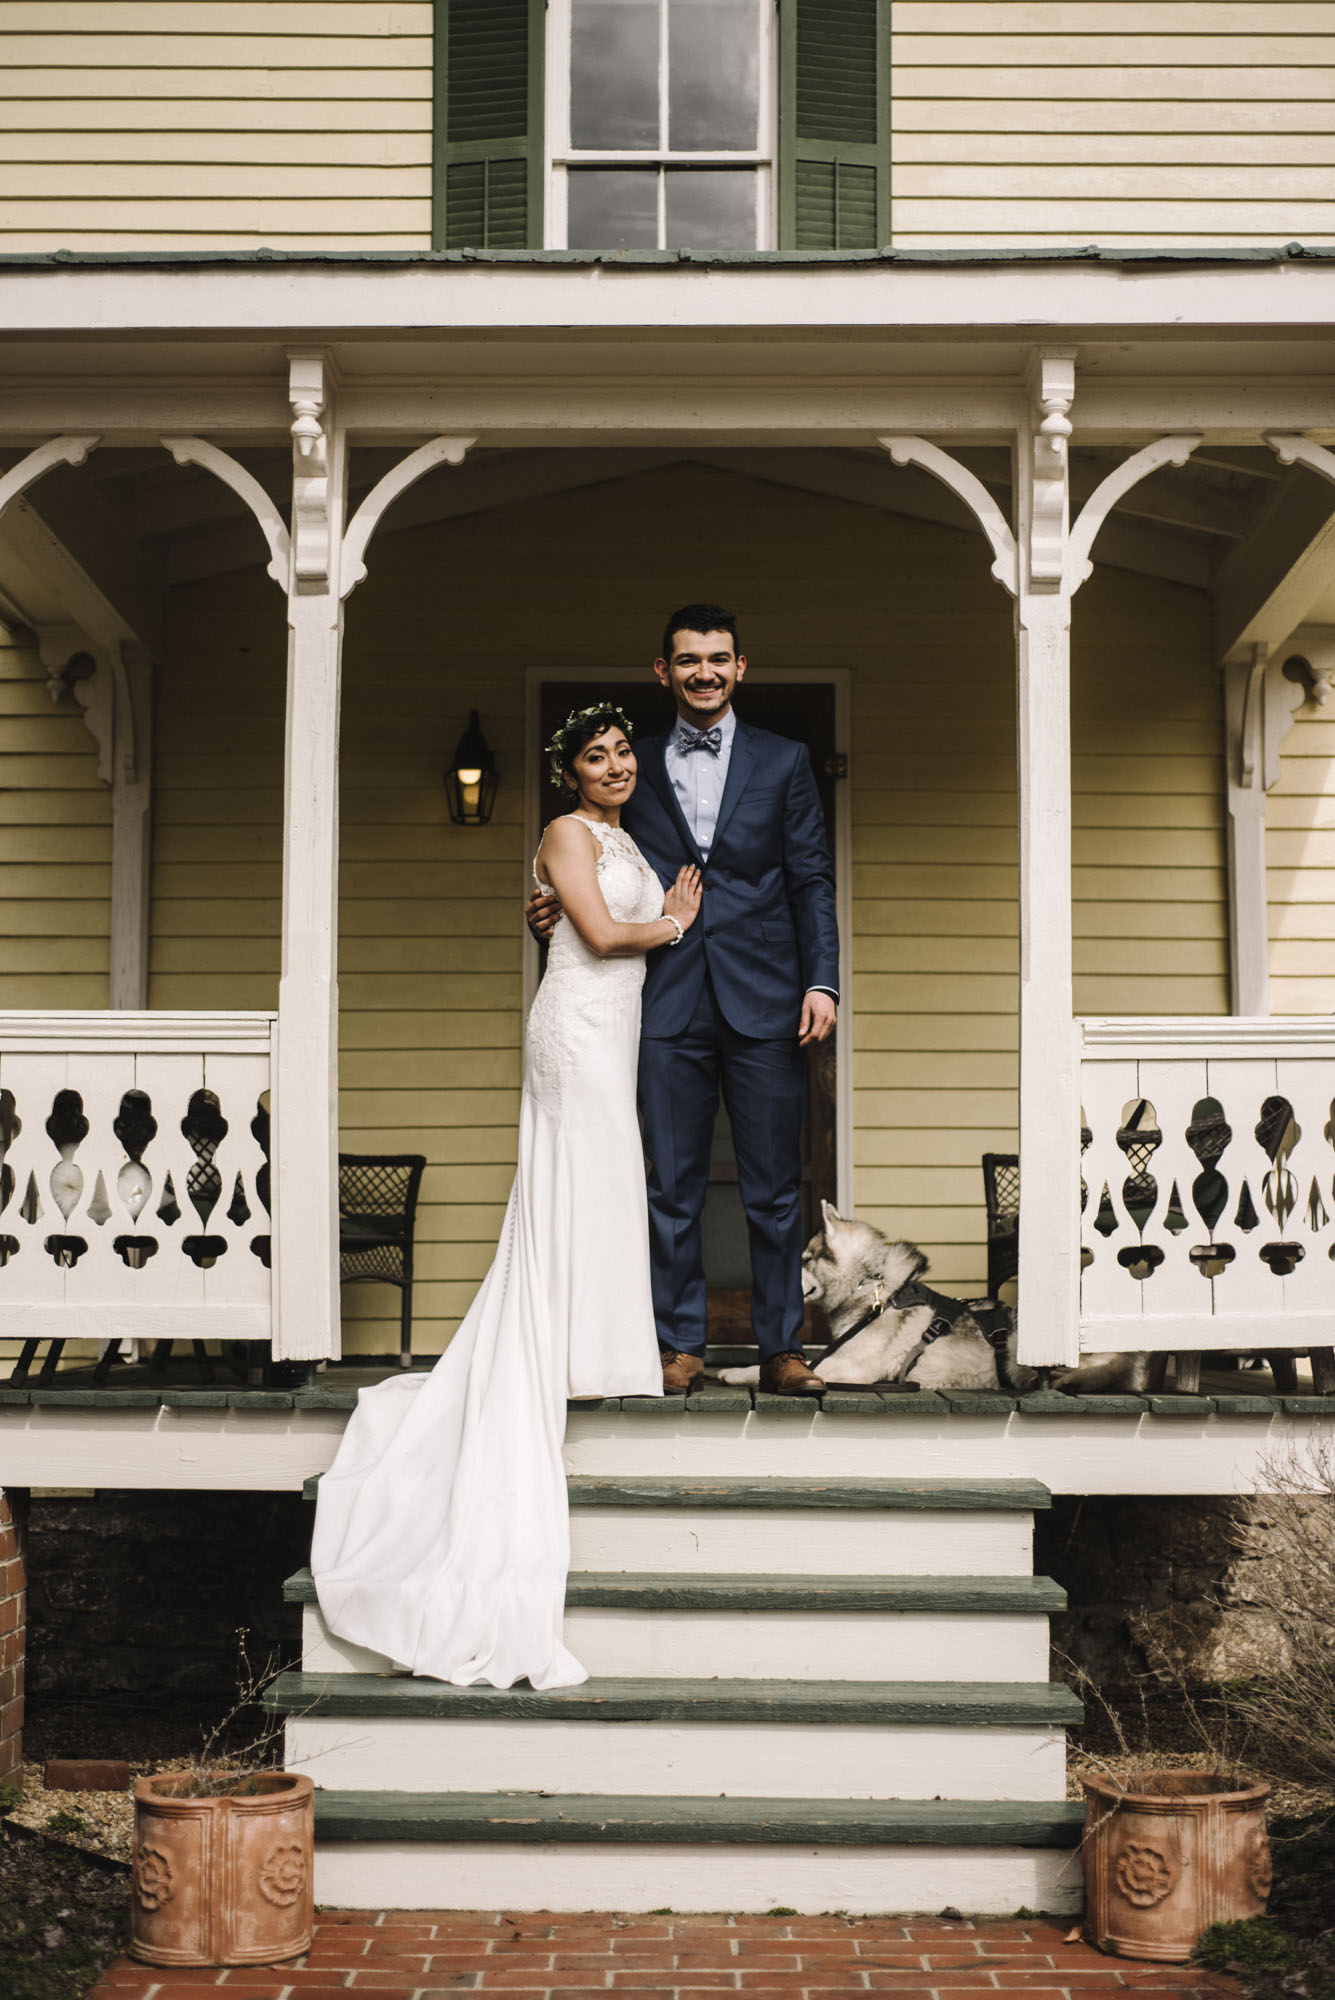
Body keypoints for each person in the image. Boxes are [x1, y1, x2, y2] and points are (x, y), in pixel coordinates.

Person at [311, 706, 701, 1690]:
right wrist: (674, 921)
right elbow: (606, 934)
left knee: (610, 1177)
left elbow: (584, 921)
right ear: (567, 770)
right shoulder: (567, 832)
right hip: (576, 1022)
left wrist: (628, 917)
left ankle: (600, 1345)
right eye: (594, 755)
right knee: (580, 1167)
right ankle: (556, 1345)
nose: (613, 765)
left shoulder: (623, 835)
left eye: (621, 752)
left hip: (616, 1025)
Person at [528, 605, 840, 1397]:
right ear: (662, 672)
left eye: (718, 658)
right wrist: (549, 909)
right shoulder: (632, 764)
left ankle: (780, 1348)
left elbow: (808, 876)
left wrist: (820, 980)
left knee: (773, 1186)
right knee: (672, 1183)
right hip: (662, 1000)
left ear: (741, 668)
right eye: (688, 660)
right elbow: (594, 862)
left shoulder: (785, 760)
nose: (704, 671)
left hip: (766, 995)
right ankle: (679, 1343)